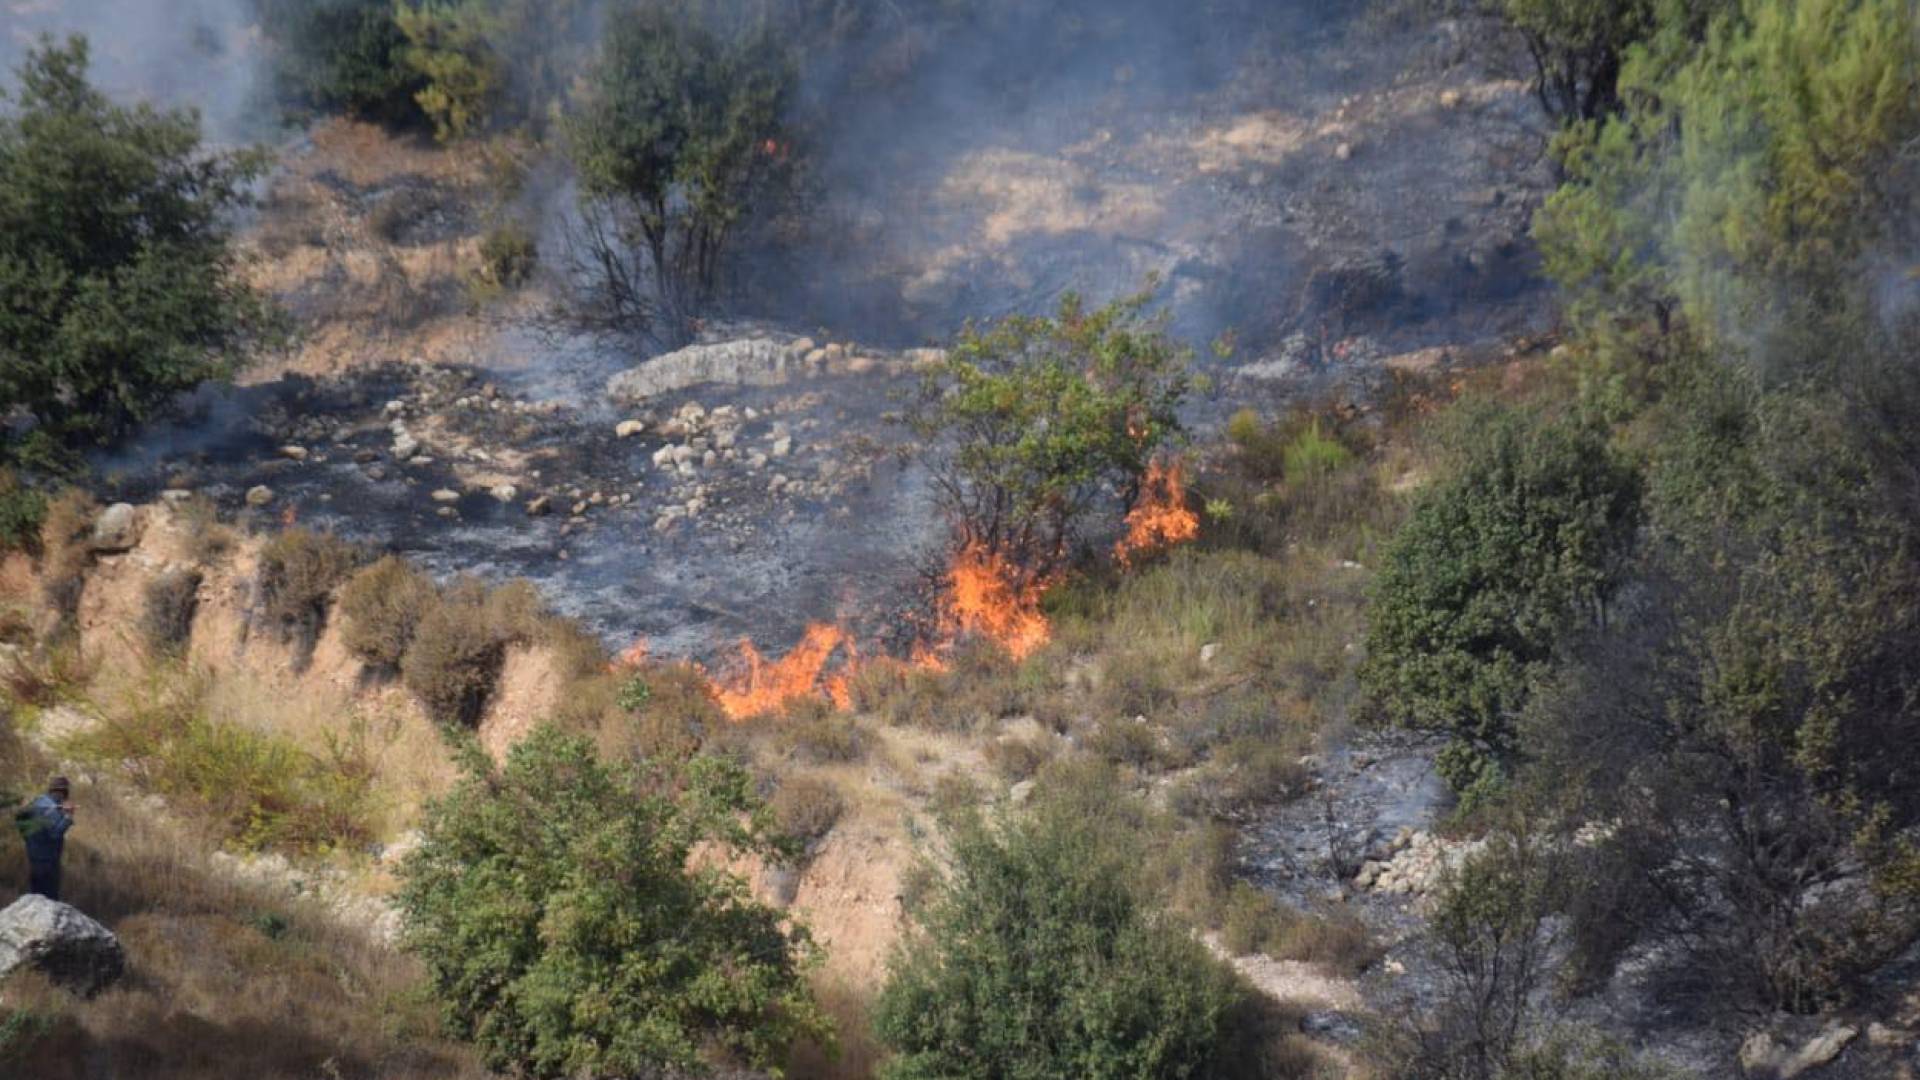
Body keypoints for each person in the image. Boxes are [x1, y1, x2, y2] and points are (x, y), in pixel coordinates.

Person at [15, 776, 74, 902]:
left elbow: (20, 823)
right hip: (49, 861)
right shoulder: (51, 810)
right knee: (50, 899)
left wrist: (29, 840)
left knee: (36, 898)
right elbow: (55, 833)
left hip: (33, 857)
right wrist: (68, 817)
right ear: (62, 792)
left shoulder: (36, 803)